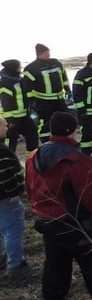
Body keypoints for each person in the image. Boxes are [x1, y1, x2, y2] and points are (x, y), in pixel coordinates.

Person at [24, 111, 92, 300]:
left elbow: (30, 187)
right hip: (74, 221)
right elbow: (89, 194)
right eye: (77, 129)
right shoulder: (74, 159)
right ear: (71, 131)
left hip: (47, 220)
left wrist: (40, 210)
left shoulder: (33, 156)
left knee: (56, 264)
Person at [0, 115, 30, 281]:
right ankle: (16, 265)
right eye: (4, 126)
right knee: (13, 229)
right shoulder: (2, 151)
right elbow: (5, 175)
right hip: (5, 198)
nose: (7, 128)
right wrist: (13, 192)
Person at [23, 43, 70, 143]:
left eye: (49, 52)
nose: (48, 55)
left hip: (59, 99)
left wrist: (68, 89)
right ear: (39, 54)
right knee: (45, 123)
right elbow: (27, 87)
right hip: (43, 102)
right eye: (46, 53)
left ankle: (64, 140)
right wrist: (32, 102)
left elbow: (64, 76)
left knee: (65, 119)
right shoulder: (31, 68)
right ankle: (46, 143)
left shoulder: (56, 62)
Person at [1, 59, 39, 153]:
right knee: (10, 141)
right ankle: (7, 161)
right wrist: (10, 120)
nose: (20, 68)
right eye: (19, 67)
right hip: (10, 118)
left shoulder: (19, 79)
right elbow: (6, 103)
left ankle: (31, 158)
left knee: (33, 133)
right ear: (13, 68)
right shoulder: (4, 83)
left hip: (23, 116)